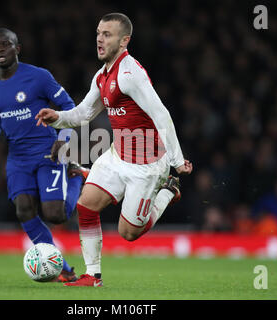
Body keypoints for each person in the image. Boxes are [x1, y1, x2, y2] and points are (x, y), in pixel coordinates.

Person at [36, 13, 193, 287]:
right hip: (117, 155)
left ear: (124, 41)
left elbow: (161, 115)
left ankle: (167, 192)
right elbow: (84, 113)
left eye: (107, 34)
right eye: (98, 32)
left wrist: (177, 161)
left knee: (128, 233)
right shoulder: (102, 75)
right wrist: (57, 117)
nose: (99, 38)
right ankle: (93, 275)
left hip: (147, 166)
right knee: (86, 206)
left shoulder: (130, 74)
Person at [0, 28, 89, 282]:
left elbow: (70, 106)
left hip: (48, 152)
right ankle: (62, 267)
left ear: (18, 49)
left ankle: (77, 177)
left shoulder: (39, 76)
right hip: (17, 158)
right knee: (24, 210)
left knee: (55, 215)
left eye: (5, 44)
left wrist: (65, 139)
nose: (0, 49)